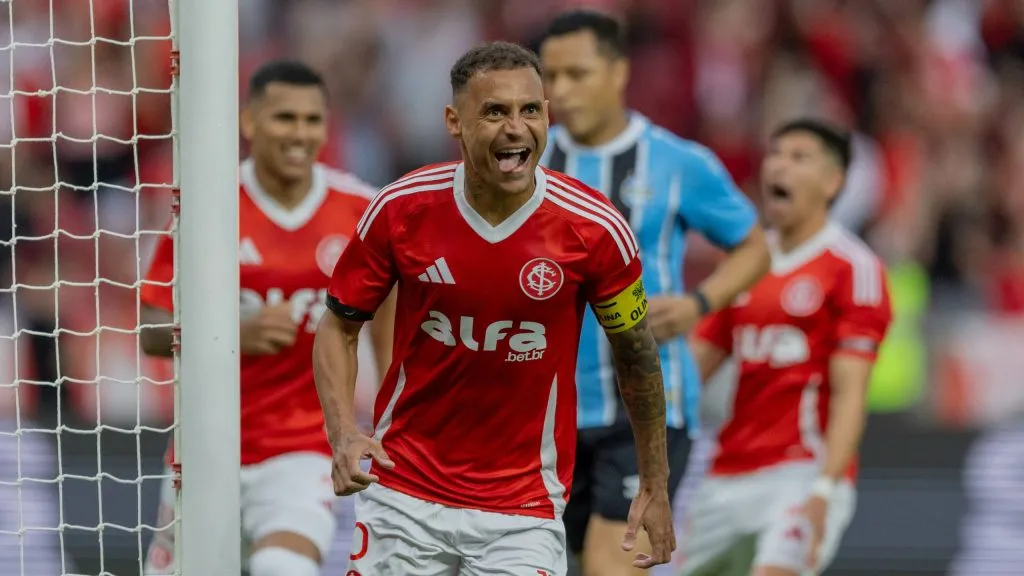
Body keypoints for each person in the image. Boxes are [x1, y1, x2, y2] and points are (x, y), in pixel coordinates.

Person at [313, 41, 675, 576]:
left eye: (530, 110)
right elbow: (339, 327)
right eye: (495, 112)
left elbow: (637, 354)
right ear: (454, 122)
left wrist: (655, 482)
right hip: (404, 490)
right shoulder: (400, 209)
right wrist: (343, 433)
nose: (516, 127)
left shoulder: (595, 228)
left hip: (523, 506)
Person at [536, 10, 770, 576]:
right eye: (552, 77)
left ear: (618, 73)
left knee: (608, 568)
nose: (561, 91)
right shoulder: (529, 164)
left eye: (578, 74)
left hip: (644, 413)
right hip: (540, 416)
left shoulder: (676, 161)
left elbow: (755, 246)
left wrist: (697, 304)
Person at [138, 60, 394, 576]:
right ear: (249, 122)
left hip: (302, 449)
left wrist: (391, 422)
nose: (300, 134)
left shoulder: (360, 210)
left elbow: (391, 329)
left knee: (284, 567)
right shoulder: (205, 206)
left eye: (311, 120)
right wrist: (231, 335)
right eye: (284, 118)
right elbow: (149, 331)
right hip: (205, 445)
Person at [677, 119, 893, 576]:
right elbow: (693, 369)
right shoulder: (744, 264)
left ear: (833, 182)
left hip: (801, 474)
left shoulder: (853, 268)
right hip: (727, 474)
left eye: (799, 157)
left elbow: (852, 393)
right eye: (775, 154)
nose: (779, 165)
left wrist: (825, 490)